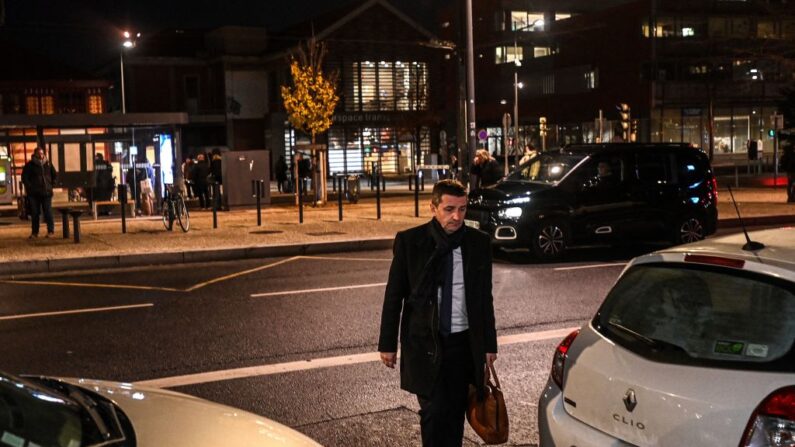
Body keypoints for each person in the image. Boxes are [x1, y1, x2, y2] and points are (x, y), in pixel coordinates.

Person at [378, 179, 498, 446]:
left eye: (463, 209)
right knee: (433, 413)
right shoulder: (411, 242)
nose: (457, 216)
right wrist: (387, 344)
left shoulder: (478, 244)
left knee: (455, 413)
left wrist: (489, 345)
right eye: (449, 209)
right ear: (433, 207)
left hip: (462, 345)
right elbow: (394, 295)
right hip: (424, 343)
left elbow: (483, 299)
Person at [21, 147, 57, 238]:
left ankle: (51, 231)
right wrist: (30, 187)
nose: (41, 155)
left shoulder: (48, 164)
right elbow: (24, 177)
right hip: (34, 193)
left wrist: (51, 185)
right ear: (35, 154)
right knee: (35, 213)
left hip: (46, 192)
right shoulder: (29, 165)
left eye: (42, 153)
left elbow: (54, 175)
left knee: (48, 212)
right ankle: (35, 232)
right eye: (39, 153)